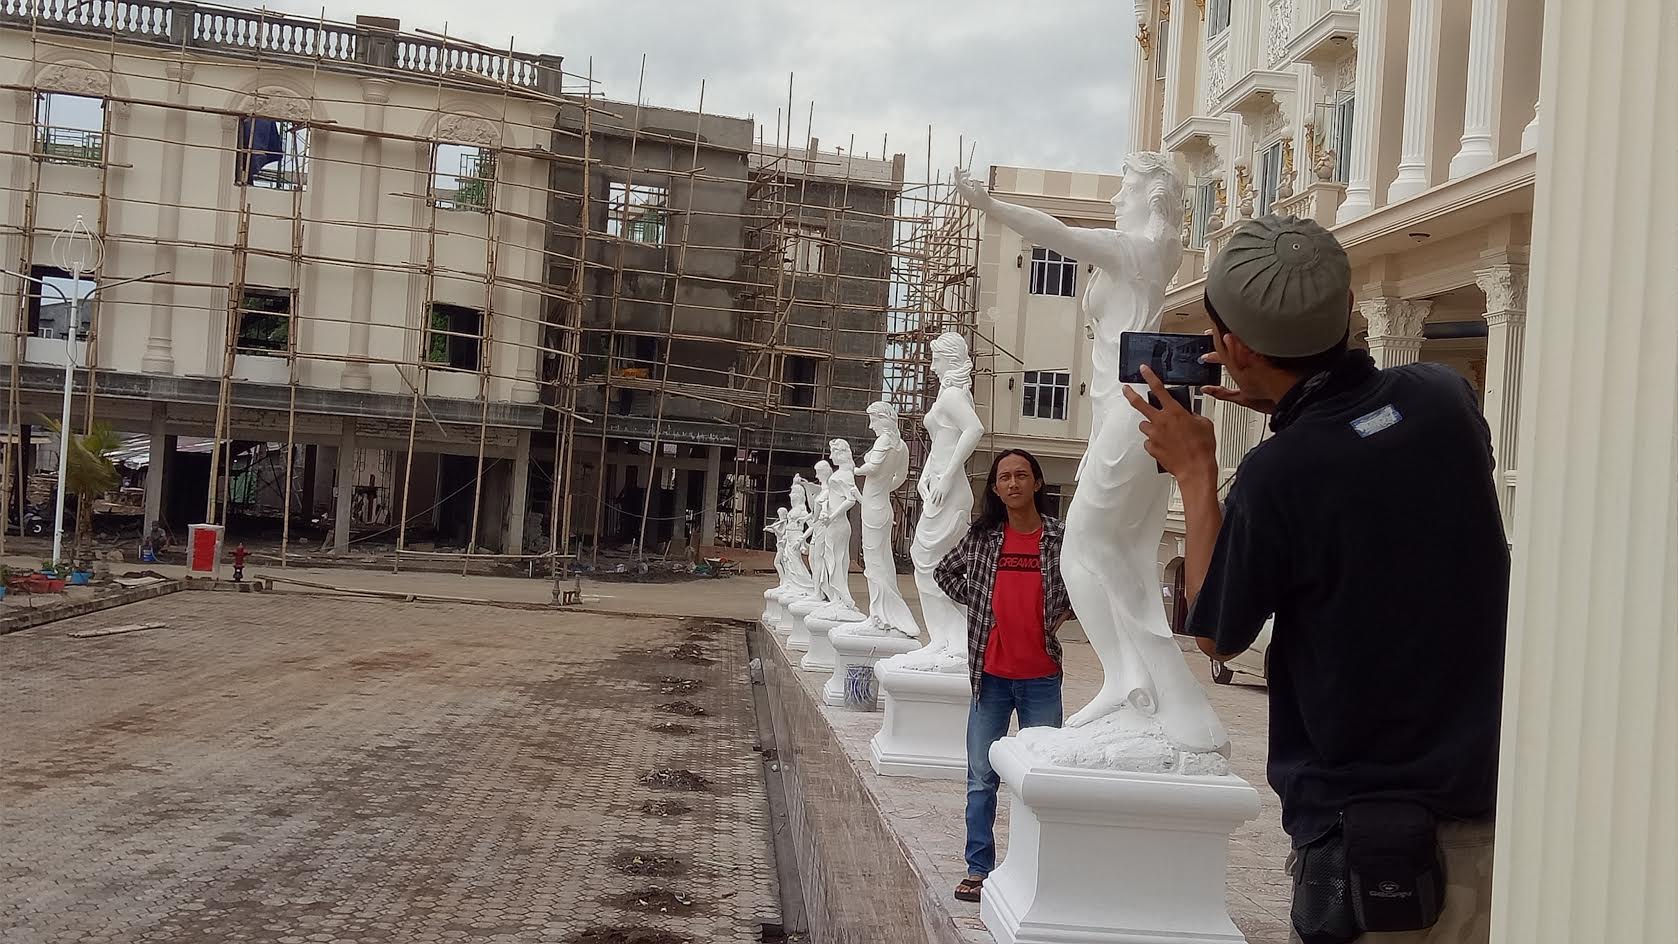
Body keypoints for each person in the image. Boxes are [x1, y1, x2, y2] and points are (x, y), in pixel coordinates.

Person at [1125, 215, 1508, 944]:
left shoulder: (1281, 475)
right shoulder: (1441, 397)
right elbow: (1371, 443)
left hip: (1374, 858)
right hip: (1494, 820)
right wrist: (1292, 406)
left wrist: (1198, 474)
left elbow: (1216, 629)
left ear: (1232, 346)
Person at [932, 449, 1073, 904]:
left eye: (1021, 475)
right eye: (1004, 477)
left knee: (1040, 779)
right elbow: (943, 573)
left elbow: (1086, 581)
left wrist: (1065, 610)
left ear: (1036, 482)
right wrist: (980, 605)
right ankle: (978, 868)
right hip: (989, 677)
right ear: (994, 489)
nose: (1013, 483)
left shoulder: (1059, 537)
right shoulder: (983, 538)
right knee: (981, 778)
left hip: (1041, 676)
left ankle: (1037, 869)